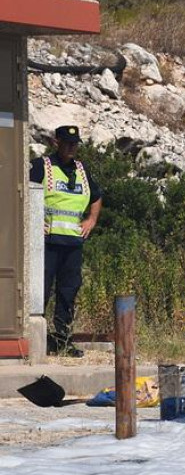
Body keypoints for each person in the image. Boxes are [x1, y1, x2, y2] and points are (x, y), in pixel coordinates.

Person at [28, 125, 103, 357]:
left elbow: (96, 195)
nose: (72, 147)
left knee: (68, 293)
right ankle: (35, 342)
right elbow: (25, 192)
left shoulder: (82, 169)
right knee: (40, 293)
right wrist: (34, 222)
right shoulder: (42, 166)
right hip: (47, 244)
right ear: (56, 142)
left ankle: (62, 340)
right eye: (67, 143)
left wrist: (91, 220)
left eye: (75, 144)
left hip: (72, 245)